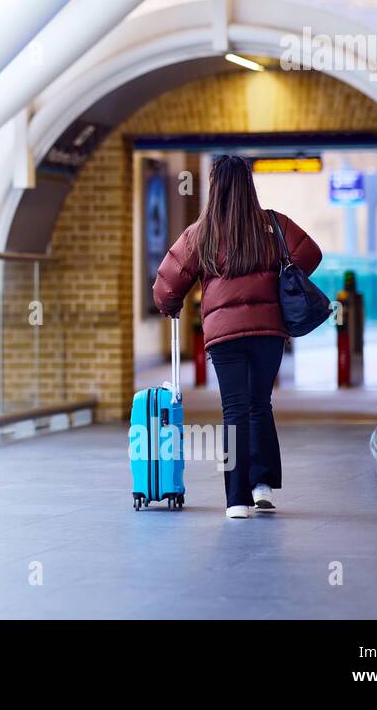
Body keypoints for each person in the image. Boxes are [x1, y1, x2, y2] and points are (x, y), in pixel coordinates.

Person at [152, 154, 322, 519]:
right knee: (260, 404)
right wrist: (279, 277)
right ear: (249, 185)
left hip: (224, 336)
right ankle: (261, 485)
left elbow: (168, 281)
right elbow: (311, 253)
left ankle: (236, 501)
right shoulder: (271, 224)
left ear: (215, 188)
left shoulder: (202, 232)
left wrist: (170, 305)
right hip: (268, 332)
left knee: (234, 409)